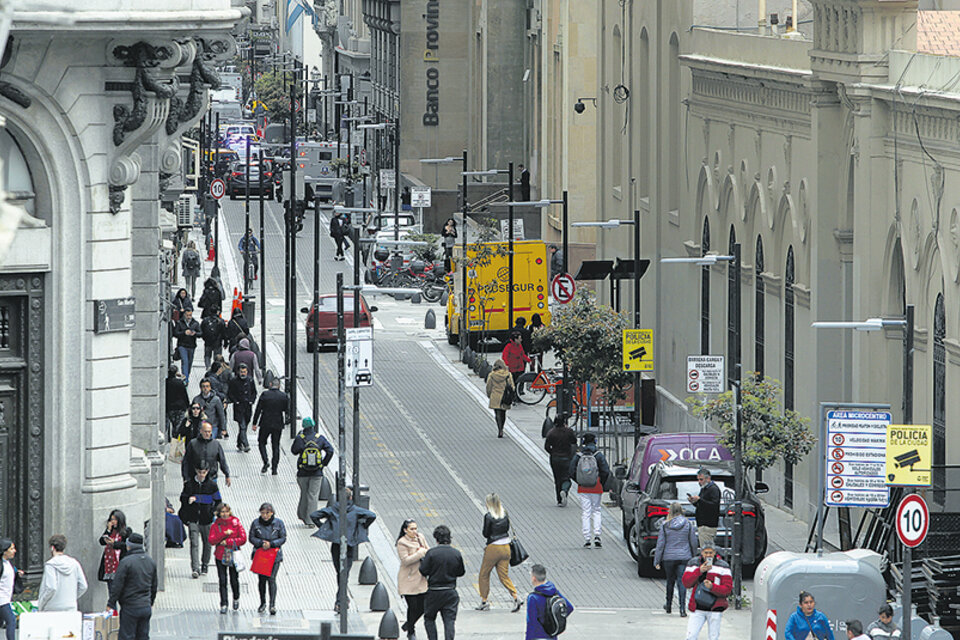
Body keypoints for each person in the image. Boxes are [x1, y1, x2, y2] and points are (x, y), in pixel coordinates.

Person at [311, 488, 377, 611]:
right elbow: (372, 515)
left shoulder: (332, 510)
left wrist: (326, 527)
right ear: (350, 498)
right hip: (350, 544)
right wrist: (363, 526)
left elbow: (314, 515)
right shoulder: (355, 510)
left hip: (336, 544)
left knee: (340, 573)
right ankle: (341, 599)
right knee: (344, 574)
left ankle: (340, 600)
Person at [475, 493, 521, 612]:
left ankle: (484, 601)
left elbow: (485, 533)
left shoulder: (489, 516)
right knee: (504, 575)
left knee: (484, 574)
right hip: (506, 547)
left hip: (494, 547)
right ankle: (516, 597)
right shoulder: (504, 513)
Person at [107, 533, 157, 640]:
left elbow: (117, 585)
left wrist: (111, 603)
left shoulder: (126, 562)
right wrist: (150, 602)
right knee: (143, 636)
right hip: (145, 607)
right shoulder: (151, 562)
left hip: (130, 607)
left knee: (127, 636)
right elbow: (154, 586)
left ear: (129, 546)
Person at [419, 525, 465, 640]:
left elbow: (423, 570)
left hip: (434, 591)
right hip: (450, 591)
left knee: (429, 618)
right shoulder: (456, 553)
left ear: (436, 539)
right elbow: (461, 572)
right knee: (449, 621)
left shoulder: (431, 553)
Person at [179, 460, 222, 579]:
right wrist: (188, 499)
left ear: (207, 472)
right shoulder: (189, 485)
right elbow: (182, 498)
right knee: (194, 543)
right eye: (199, 472)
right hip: (193, 518)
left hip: (206, 519)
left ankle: (205, 564)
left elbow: (218, 501)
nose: (201, 474)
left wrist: (212, 511)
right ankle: (195, 568)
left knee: (207, 543)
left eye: (203, 472)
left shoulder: (212, 486)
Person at [654, 502, 697, 617]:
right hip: (684, 556)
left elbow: (661, 544)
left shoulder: (665, 525)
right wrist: (694, 556)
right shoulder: (688, 524)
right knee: (682, 582)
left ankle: (668, 605)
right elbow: (693, 541)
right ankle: (682, 609)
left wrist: (657, 560)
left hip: (669, 557)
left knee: (670, 581)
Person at [681, 544, 733, 640]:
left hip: (715, 608)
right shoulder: (693, 563)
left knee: (714, 637)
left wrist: (712, 587)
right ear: (701, 553)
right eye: (706, 553)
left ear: (714, 553)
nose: (708, 555)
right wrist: (699, 571)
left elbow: (727, 589)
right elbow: (686, 583)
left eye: (710, 553)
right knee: (691, 635)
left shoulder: (723, 566)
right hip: (697, 607)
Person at [568, 433, 610, 548]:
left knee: (586, 512)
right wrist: (601, 482)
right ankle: (597, 535)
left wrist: (579, 481)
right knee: (596, 510)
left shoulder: (579, 455)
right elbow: (606, 470)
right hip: (596, 486)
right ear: (595, 441)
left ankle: (587, 537)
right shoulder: (598, 455)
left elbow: (571, 470)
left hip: (583, 487)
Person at [291, 417, 334, 524]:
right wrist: (323, 464)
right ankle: (310, 520)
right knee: (313, 495)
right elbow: (330, 451)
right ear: (313, 425)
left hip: (302, 471)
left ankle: (302, 515)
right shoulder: (319, 438)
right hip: (317, 472)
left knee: (304, 493)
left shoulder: (300, 438)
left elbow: (294, 451)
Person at [248, 503, 287, 615]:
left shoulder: (279, 523)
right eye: (263, 513)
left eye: (267, 513)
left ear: (272, 513)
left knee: (272, 579)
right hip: (260, 555)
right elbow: (251, 537)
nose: (265, 515)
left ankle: (272, 604)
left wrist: (272, 544)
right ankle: (262, 602)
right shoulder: (256, 523)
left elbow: (283, 537)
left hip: (274, 556)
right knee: (262, 580)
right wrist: (261, 543)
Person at [208, 503, 247, 614]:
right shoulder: (216, 525)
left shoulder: (236, 523)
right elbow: (211, 540)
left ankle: (236, 597)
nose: (225, 514)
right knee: (222, 579)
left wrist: (229, 542)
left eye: (226, 511)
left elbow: (243, 538)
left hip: (233, 554)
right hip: (220, 555)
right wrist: (223, 534)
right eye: (222, 512)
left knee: (234, 579)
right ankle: (224, 603)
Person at [396, 520, 429, 640]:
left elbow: (428, 551)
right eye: (412, 529)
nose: (415, 531)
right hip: (408, 579)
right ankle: (411, 631)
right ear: (405, 530)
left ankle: (409, 623)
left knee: (424, 606)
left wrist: (423, 552)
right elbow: (405, 560)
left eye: (416, 528)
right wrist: (420, 553)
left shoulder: (420, 537)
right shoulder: (402, 543)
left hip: (421, 577)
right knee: (413, 606)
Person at [38, 534, 87, 612]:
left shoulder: (50, 565)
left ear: (52, 548)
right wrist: (72, 597)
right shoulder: (74, 563)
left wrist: (41, 603)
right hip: (71, 606)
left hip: (52, 607)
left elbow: (51, 587)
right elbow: (83, 586)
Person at [525, 564, 573, 640]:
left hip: (538, 636)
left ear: (534, 578)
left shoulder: (533, 598)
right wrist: (554, 620)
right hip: (552, 635)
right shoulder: (554, 591)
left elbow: (531, 623)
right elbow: (569, 607)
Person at [252, 377, 289, 475]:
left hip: (265, 422)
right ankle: (274, 468)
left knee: (261, 442)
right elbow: (286, 410)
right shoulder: (283, 396)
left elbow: (258, 409)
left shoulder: (265, 394)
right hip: (278, 423)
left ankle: (265, 460)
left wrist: (254, 423)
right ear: (279, 386)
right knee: (275, 445)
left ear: (270, 384)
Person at [181, 421, 231, 486]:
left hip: (211, 477)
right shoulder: (193, 444)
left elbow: (222, 461)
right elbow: (186, 461)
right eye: (205, 431)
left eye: (209, 431)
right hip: (194, 477)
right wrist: (185, 477)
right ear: (201, 431)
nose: (207, 434)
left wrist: (227, 475)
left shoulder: (216, 444)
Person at [544, 415, 576, 506]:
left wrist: (553, 453)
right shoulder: (569, 432)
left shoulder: (551, 433)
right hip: (566, 458)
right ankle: (564, 491)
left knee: (557, 479)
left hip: (555, 458)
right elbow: (574, 441)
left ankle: (559, 500)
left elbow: (546, 447)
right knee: (566, 478)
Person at [227, 363, 257, 453]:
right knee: (242, 426)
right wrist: (235, 401)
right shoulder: (234, 381)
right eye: (241, 372)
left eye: (244, 372)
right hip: (239, 407)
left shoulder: (250, 380)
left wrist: (252, 400)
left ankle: (239, 442)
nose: (243, 373)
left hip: (248, 407)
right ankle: (246, 444)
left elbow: (254, 392)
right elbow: (230, 393)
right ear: (238, 372)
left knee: (244, 426)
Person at [688, 468, 721, 550]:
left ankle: (708, 562)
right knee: (705, 548)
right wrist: (694, 502)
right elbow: (702, 506)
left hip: (708, 525)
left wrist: (700, 500)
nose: (699, 482)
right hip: (702, 524)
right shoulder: (704, 489)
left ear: (708, 478)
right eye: (698, 479)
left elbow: (714, 506)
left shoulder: (713, 489)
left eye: (701, 479)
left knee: (707, 550)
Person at [98, 509, 132, 583]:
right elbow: (101, 541)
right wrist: (108, 531)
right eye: (111, 519)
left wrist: (115, 543)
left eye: (115, 519)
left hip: (120, 562)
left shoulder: (126, 531)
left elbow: (127, 545)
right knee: (111, 587)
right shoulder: (111, 531)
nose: (113, 521)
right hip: (109, 563)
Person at [486, 359, 515, 438]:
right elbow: (512, 386)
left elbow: (489, 386)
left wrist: (489, 395)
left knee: (497, 413)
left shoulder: (492, 375)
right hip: (505, 396)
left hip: (495, 396)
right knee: (503, 413)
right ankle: (502, 427)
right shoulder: (508, 375)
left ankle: (500, 430)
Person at [0, 541, 23, 640]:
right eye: (11, 549)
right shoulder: (2, 565)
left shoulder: (8, 563)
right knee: (11, 620)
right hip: (2, 599)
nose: (14, 551)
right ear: (4, 551)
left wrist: (17, 573)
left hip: (6, 597)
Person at [173, 309, 201, 383]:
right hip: (182, 345)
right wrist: (184, 333)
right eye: (187, 315)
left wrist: (195, 333)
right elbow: (175, 333)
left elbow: (200, 333)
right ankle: (186, 379)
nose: (189, 317)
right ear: (184, 315)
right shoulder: (180, 323)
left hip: (191, 346)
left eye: (190, 315)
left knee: (189, 362)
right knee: (185, 361)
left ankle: (186, 375)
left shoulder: (195, 323)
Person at [165, 365, 190, 442]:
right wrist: (188, 405)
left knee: (171, 424)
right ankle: (175, 440)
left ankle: (172, 439)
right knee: (178, 425)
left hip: (170, 407)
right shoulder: (179, 382)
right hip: (180, 407)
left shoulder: (166, 382)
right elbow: (184, 394)